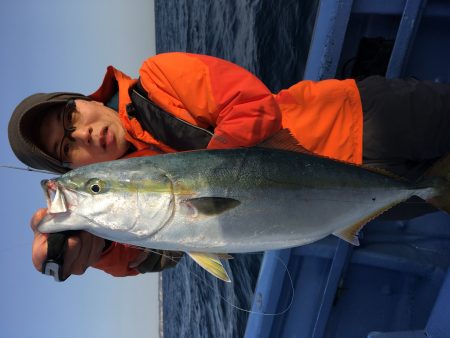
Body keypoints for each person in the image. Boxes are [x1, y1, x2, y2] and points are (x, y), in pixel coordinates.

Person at [8, 52, 450, 280]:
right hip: (346, 205)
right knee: (435, 190)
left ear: (82, 100)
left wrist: (200, 177)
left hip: (358, 119)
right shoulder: (135, 196)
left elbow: (252, 104)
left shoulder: (159, 79)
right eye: (68, 150)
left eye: (70, 118)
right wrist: (98, 249)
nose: (83, 134)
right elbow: (152, 255)